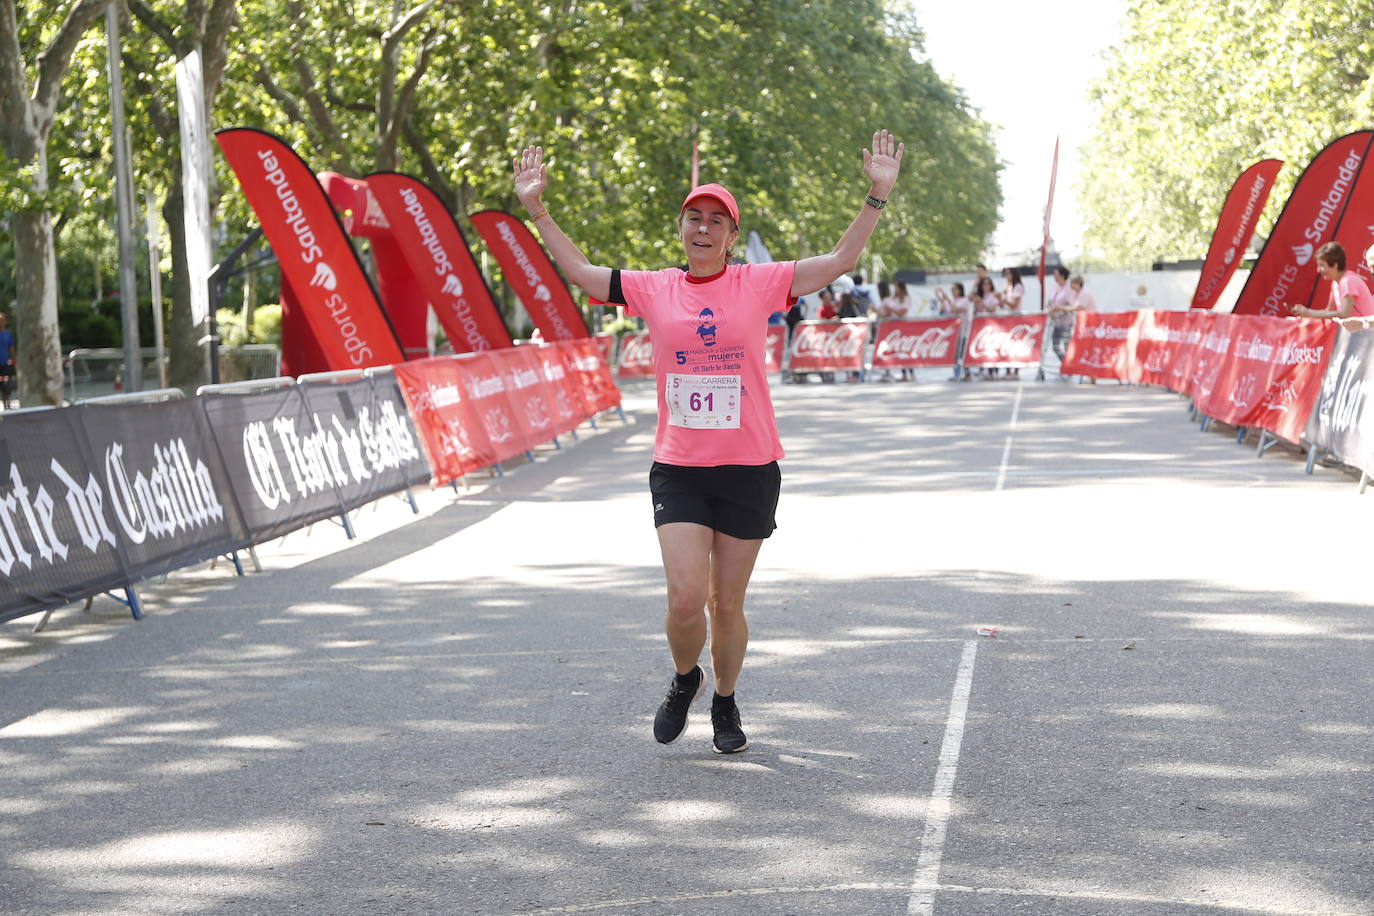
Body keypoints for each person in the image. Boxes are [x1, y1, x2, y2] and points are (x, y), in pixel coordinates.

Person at [511, 130, 904, 754]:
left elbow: (837, 264)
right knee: (686, 596)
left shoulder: (759, 282)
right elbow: (584, 274)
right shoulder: (653, 287)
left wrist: (876, 196)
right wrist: (537, 209)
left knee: (726, 605)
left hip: (749, 466)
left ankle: (724, 700)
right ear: (681, 229)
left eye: (717, 221)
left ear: (730, 234)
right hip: (680, 467)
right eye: (694, 218)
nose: (704, 229)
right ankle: (683, 678)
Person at [1290, 242, 1374, 325]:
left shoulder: (1348, 281)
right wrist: (1305, 314)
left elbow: (1344, 314)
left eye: (1322, 265)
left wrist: (1309, 313)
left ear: (1335, 265)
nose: (1318, 270)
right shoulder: (1336, 283)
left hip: (1366, 334)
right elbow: (1329, 311)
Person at [1046, 265, 1077, 372]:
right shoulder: (1055, 288)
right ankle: (1066, 364)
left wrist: (1059, 309)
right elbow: (1050, 302)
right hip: (1056, 322)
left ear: (1062, 276)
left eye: (1056, 274)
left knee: (1066, 346)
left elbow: (1072, 306)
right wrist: (1050, 308)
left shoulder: (1069, 289)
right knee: (1055, 346)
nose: (1054, 276)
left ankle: (1069, 367)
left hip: (1066, 322)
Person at [1338, 243, 1374, 331]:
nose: (1372, 272)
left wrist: (1363, 323)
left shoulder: (1349, 280)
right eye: (1370, 268)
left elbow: (1344, 313)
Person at [0, 313, 14, 409]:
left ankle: (6, 405)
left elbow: (12, 348)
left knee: (5, 385)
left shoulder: (8, 334)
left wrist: (14, 360)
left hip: (5, 364)